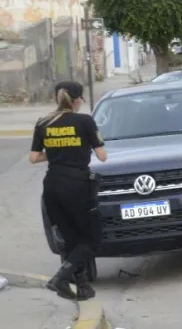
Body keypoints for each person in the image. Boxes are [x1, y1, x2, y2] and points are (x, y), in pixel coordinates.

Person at [29, 81, 107, 301]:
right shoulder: (85, 121)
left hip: (52, 186)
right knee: (92, 238)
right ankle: (61, 278)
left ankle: (82, 287)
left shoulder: (44, 122)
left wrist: (55, 152)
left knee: (71, 239)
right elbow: (102, 156)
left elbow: (34, 157)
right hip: (77, 186)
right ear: (78, 100)